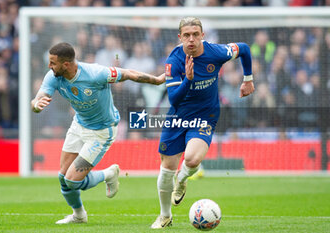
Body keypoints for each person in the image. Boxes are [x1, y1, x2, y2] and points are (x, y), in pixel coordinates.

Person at [31, 42, 165, 224]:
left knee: (72, 181)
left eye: (53, 63)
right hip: (79, 125)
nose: (49, 66)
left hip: (102, 130)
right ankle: (79, 215)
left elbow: (128, 73)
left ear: (66, 64)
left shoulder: (95, 73)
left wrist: (156, 80)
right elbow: (37, 98)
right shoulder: (53, 76)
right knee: (63, 177)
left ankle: (108, 174)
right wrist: (36, 106)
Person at [151, 17, 254, 229]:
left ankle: (182, 180)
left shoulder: (216, 52)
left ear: (202, 36)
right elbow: (174, 99)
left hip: (205, 115)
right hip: (178, 117)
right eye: (186, 35)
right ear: (180, 38)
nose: (191, 39)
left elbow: (243, 48)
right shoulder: (174, 60)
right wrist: (188, 79)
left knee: (191, 159)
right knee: (166, 169)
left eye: (195, 35)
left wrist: (248, 79)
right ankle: (165, 216)